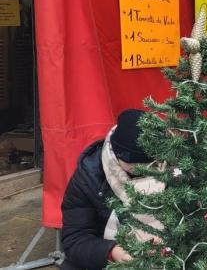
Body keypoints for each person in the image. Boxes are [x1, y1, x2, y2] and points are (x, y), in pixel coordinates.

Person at [61, 109, 155, 270]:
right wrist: (111, 252)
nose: (141, 171)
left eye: (149, 166)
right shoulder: (89, 177)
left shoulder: (173, 169)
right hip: (107, 257)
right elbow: (75, 239)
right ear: (115, 152)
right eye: (133, 166)